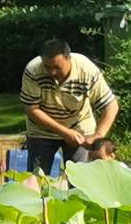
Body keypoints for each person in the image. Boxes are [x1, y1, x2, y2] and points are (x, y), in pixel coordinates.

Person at [20, 39, 120, 174]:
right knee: (37, 181)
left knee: (81, 182)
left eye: (57, 67)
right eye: (47, 67)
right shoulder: (33, 70)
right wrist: (65, 133)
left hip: (80, 128)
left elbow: (111, 105)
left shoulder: (87, 70)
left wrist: (98, 135)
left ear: (69, 58)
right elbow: (32, 109)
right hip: (41, 131)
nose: (52, 72)